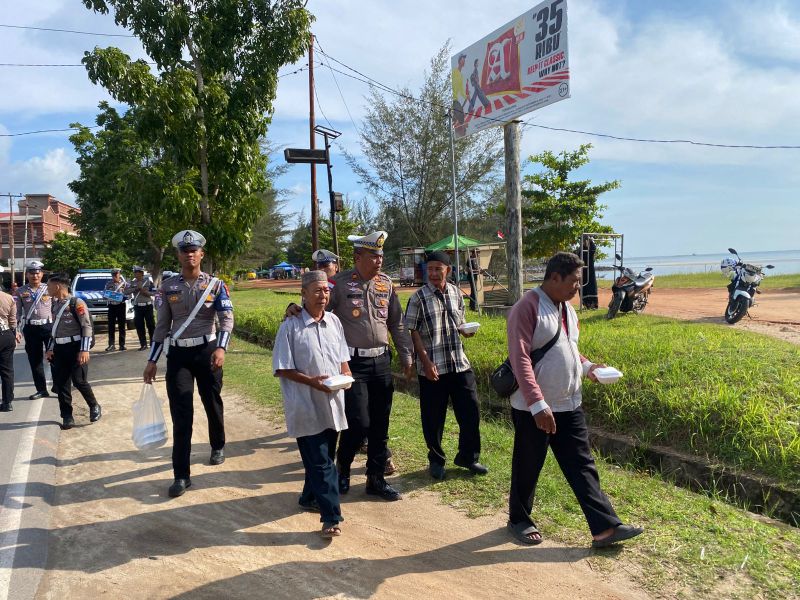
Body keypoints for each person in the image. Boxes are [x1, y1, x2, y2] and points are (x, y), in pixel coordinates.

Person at [506, 251, 643, 547]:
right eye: (574, 281)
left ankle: (605, 527)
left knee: (582, 465)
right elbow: (520, 359)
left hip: (569, 402)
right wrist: (537, 404)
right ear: (554, 277)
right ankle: (518, 519)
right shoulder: (527, 308)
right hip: (536, 407)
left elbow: (569, 348)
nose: (577, 288)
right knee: (529, 464)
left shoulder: (567, 309)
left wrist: (589, 367)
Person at [287, 231, 413, 501]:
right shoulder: (340, 284)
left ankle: (375, 479)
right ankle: (342, 468)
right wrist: (295, 308)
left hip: (381, 360)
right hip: (352, 363)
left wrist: (406, 354)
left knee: (381, 423)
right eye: (372, 256)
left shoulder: (387, 284)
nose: (378, 261)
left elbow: (396, 323)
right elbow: (316, 306)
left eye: (380, 255)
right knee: (358, 422)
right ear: (358, 257)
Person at [143, 230, 234, 498]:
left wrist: (221, 348)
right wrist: (152, 360)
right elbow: (161, 327)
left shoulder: (216, 285)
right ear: (179, 255)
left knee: (211, 401)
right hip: (179, 356)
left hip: (208, 351)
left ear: (201, 254)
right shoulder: (168, 287)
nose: (189, 254)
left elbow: (227, 318)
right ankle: (181, 475)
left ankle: (217, 444)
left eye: (194, 250)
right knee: (181, 414)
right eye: (184, 251)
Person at [273, 270, 351, 538]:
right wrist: (312, 381)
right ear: (303, 294)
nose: (323, 295)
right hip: (305, 405)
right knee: (321, 463)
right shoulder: (290, 327)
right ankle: (331, 516)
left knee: (325, 457)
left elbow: (342, 356)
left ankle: (308, 496)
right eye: (317, 290)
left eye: (326, 291)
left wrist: (346, 374)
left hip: (331, 401)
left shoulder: (334, 322)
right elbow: (282, 368)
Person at [405, 251, 487, 480]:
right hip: (433, 367)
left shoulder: (455, 293)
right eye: (429, 269)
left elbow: (459, 324)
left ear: (447, 270)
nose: (432, 273)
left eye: (437, 269)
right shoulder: (418, 297)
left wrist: (466, 332)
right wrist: (425, 362)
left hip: (458, 363)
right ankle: (436, 460)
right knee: (433, 418)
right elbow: (413, 332)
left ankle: (468, 457)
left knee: (470, 410)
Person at [45, 273, 100, 430]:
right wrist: (50, 349)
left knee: (79, 380)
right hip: (59, 349)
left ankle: (94, 406)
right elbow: (54, 330)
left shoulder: (77, 303)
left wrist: (84, 350)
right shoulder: (54, 304)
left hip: (76, 347)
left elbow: (86, 327)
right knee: (62, 384)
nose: (47, 289)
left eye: (49, 286)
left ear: (57, 286)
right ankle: (67, 416)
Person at [15, 260, 52, 400]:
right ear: (27, 275)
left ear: (41, 274)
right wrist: (16, 330)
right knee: (35, 360)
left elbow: (55, 308)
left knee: (54, 357)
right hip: (31, 328)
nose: (34, 276)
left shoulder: (49, 288)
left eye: (37, 273)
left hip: (48, 327)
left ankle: (59, 386)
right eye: (32, 273)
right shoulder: (21, 291)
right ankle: (41, 389)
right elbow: (17, 312)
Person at [126, 266, 156, 350]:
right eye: (135, 272)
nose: (135, 274)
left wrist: (144, 291)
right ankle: (143, 344)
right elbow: (126, 291)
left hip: (147, 305)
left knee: (151, 325)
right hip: (138, 306)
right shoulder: (132, 283)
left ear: (142, 274)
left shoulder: (148, 282)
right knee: (139, 325)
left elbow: (154, 292)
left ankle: (153, 342)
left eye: (137, 272)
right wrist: (135, 288)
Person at [0, 285, 18, 412]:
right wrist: (14, 334)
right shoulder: (9, 298)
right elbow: (12, 321)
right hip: (6, 334)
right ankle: (7, 402)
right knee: (7, 371)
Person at [104, 268, 128, 351]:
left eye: (116, 274)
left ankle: (122, 345)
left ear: (119, 274)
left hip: (121, 306)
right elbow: (104, 295)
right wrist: (109, 295)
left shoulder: (125, 284)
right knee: (111, 326)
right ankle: (111, 345)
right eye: (113, 275)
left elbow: (130, 295)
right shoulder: (108, 284)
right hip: (112, 306)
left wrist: (124, 297)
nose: (114, 276)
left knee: (121, 326)